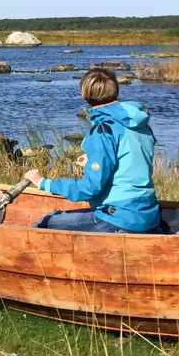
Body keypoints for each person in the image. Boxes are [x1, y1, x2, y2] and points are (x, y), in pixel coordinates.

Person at [23, 68, 161, 233]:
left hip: (119, 217)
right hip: (148, 212)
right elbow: (130, 163)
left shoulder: (103, 129)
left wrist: (43, 182)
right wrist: (91, 161)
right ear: (115, 91)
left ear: (84, 95)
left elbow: (91, 187)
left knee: (44, 223)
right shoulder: (140, 125)